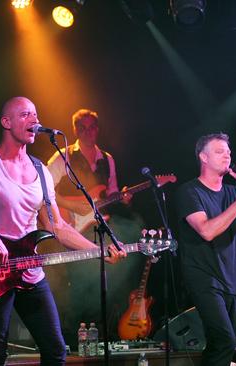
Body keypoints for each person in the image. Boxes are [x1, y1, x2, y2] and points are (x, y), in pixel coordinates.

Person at [0, 97, 126, 365]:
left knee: (56, 351)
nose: (34, 120)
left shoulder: (40, 171)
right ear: (6, 122)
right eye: (25, 115)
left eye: (35, 114)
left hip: (30, 271)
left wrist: (99, 251)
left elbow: (57, 226)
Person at [46, 108, 142, 346]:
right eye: (83, 128)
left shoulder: (107, 159)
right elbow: (44, 191)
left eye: (92, 127)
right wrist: (71, 206)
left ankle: (102, 336)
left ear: (98, 129)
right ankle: (71, 339)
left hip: (99, 226)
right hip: (73, 228)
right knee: (78, 284)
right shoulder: (63, 156)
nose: (89, 132)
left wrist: (122, 197)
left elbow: (109, 193)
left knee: (106, 280)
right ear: (76, 130)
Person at [175, 133, 236, 366]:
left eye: (229, 152)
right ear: (203, 157)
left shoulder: (233, 192)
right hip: (204, 277)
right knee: (225, 340)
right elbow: (206, 231)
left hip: (231, 278)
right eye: (219, 151)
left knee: (221, 344)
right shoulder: (190, 192)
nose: (227, 155)